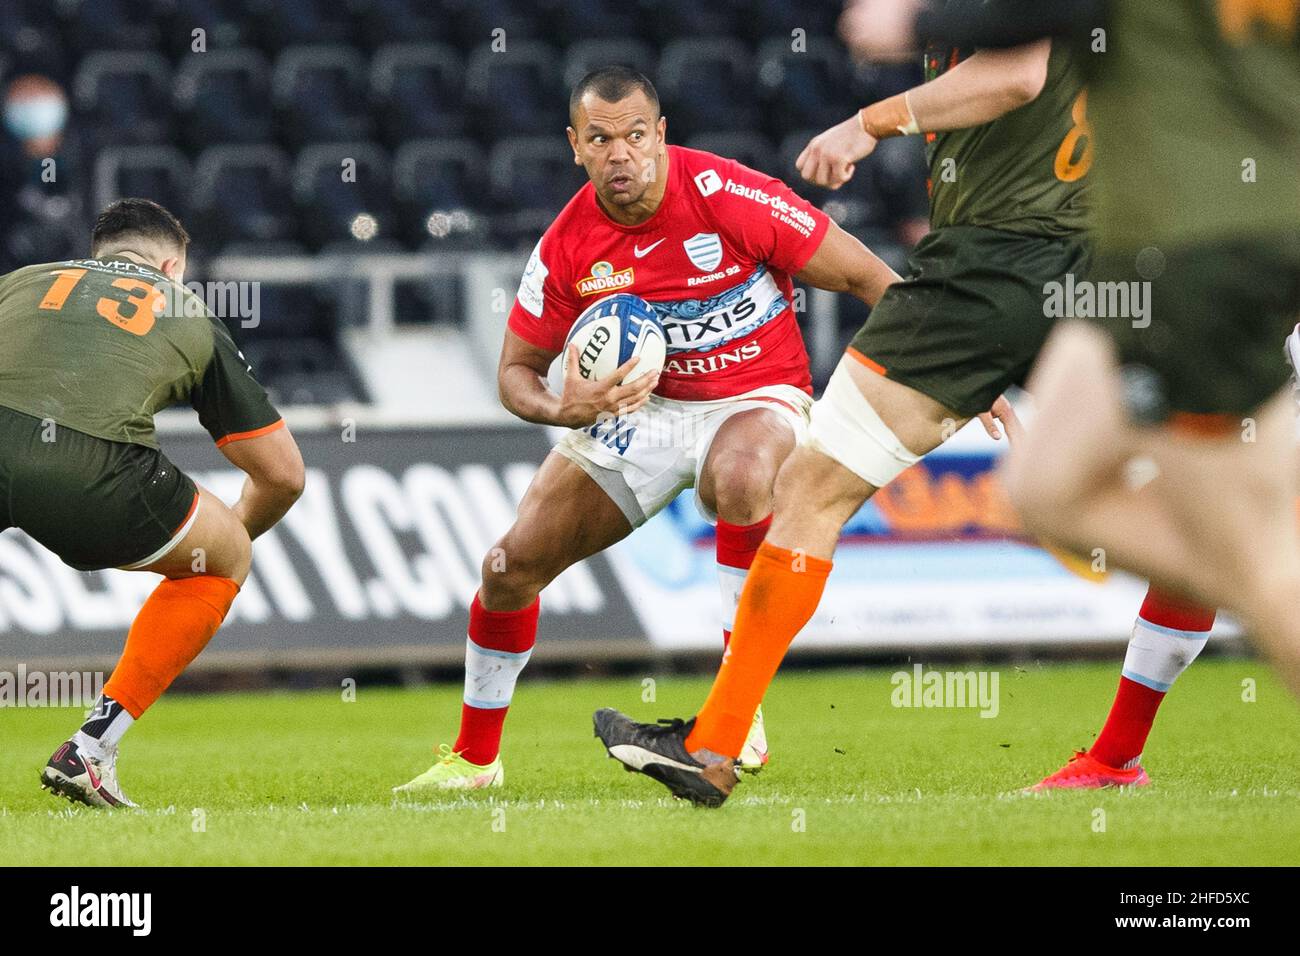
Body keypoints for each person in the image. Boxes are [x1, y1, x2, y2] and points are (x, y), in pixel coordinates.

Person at [594, 20, 1096, 806]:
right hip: (1098, 263)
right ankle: (1120, 753)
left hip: (995, 263)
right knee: (1207, 489)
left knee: (809, 489)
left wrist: (867, 123)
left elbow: (1016, 76)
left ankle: (716, 743)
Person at [394, 66, 901, 793]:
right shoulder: (570, 243)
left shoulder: (728, 195)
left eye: (635, 135)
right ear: (576, 146)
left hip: (753, 394)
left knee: (741, 475)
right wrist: (561, 407)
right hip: (640, 414)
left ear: (660, 135)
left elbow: (865, 276)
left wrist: (950, 369)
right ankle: (475, 761)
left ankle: (737, 714)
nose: (621, 153)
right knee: (510, 568)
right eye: (601, 139)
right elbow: (515, 373)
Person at [0, 198, 304, 807]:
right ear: (171, 267)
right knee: (223, 558)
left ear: (98, 257)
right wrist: (213, 546)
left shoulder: (21, 282)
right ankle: (89, 751)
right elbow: (283, 476)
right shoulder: (185, 307)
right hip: (94, 471)